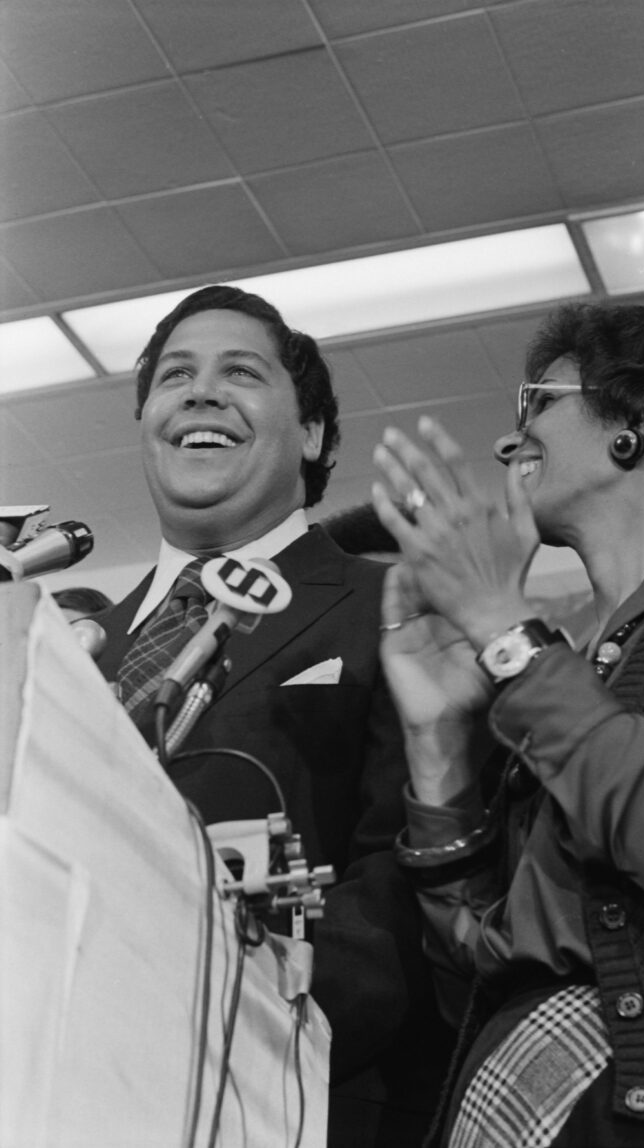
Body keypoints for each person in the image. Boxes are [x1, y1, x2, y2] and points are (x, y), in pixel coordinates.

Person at [370, 301, 644, 1147]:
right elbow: (476, 976)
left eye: (537, 402)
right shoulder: (564, 667)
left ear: (641, 412)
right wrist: (435, 744)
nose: (512, 443)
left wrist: (507, 633)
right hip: (513, 1100)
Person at [96, 284, 451, 1146]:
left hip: (302, 1095)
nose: (201, 391)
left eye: (241, 373)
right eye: (175, 375)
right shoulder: (76, 649)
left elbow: (405, 875)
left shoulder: (398, 606)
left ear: (316, 434)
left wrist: (241, 1045)